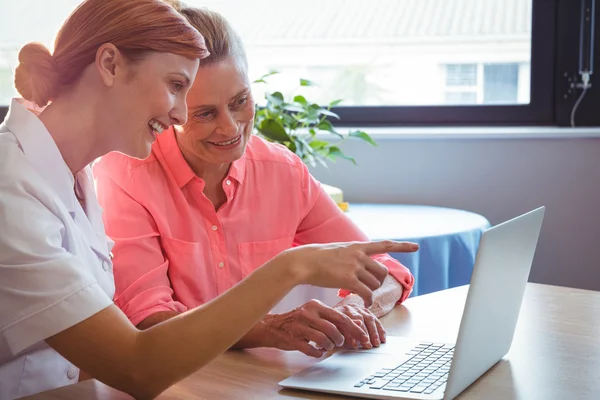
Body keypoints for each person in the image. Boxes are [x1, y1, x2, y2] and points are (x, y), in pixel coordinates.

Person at [0, 0, 419, 399]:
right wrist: (293, 266)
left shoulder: (76, 178)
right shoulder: (12, 189)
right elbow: (136, 367)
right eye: (176, 86)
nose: (179, 115)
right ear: (109, 65)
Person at [94, 3, 416, 359]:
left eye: (240, 101)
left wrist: (355, 308)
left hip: (260, 382)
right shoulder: (125, 173)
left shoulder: (282, 171)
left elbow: (385, 270)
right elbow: (150, 321)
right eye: (204, 113)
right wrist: (269, 330)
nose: (231, 127)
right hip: (176, 381)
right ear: (172, 109)